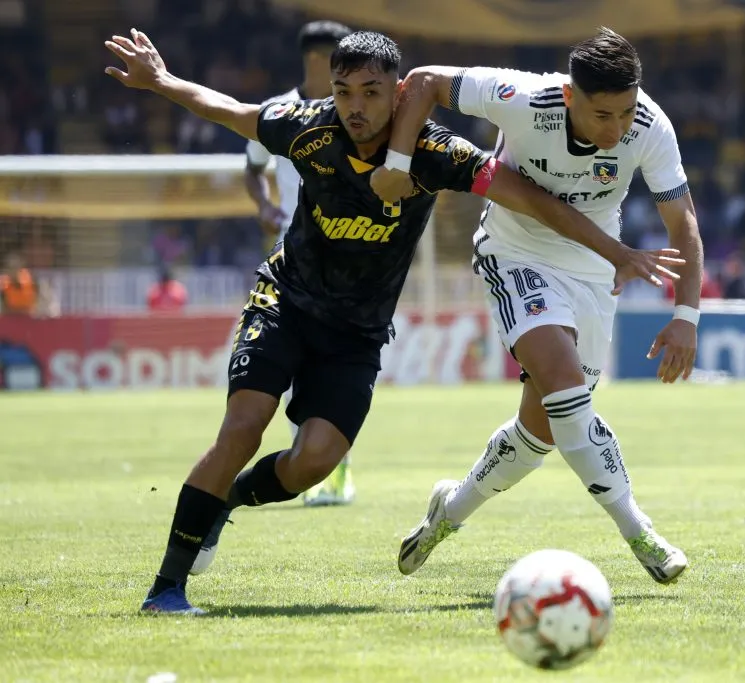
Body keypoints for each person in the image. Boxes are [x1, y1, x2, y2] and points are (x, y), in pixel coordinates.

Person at [104, 28, 683, 614]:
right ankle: (167, 588)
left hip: (356, 333)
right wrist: (162, 82)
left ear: (398, 93)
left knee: (314, 462)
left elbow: (533, 200)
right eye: (343, 91)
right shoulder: (306, 127)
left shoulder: (438, 154)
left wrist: (618, 253)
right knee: (244, 426)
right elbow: (231, 111)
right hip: (286, 301)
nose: (355, 107)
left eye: (371, 92)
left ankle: (224, 500)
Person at [372, 28, 703, 585]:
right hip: (515, 253)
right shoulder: (522, 97)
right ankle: (639, 531)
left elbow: (683, 222)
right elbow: (423, 81)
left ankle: (449, 511)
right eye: (603, 115)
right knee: (566, 388)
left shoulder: (651, 126)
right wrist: (398, 164)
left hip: (595, 267)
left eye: (626, 112)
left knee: (544, 429)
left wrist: (686, 318)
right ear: (570, 96)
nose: (617, 129)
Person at [244, 20, 357, 507]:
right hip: (292, 257)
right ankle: (315, 466)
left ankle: (330, 467)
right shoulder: (280, 113)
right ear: (319, 59)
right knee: (293, 361)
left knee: (336, 364)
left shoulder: (357, 113)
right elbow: (253, 168)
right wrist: (265, 206)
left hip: (350, 253)